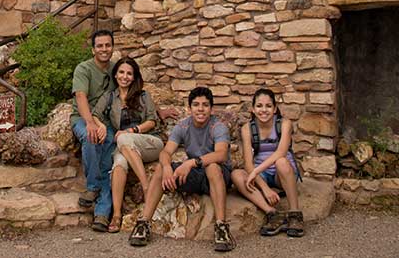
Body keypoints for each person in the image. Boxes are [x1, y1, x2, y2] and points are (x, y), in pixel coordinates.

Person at [128, 86, 236, 252]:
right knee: (160, 169)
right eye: (196, 104)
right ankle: (143, 224)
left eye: (205, 105)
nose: (200, 109)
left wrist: (191, 163)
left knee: (213, 167)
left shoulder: (218, 127)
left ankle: (222, 227)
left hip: (218, 175)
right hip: (195, 173)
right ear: (189, 108)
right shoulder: (183, 126)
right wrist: (167, 167)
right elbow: (166, 152)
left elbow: (221, 154)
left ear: (211, 109)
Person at [92, 57, 163, 233]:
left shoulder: (143, 96)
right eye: (122, 72)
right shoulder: (109, 97)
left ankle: (146, 186)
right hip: (125, 147)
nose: (125, 76)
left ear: (134, 77)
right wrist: (101, 125)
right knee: (118, 165)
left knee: (122, 139)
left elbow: (152, 121)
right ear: (115, 74)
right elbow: (95, 114)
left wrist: (131, 132)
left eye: (129, 73)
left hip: (149, 142)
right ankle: (116, 215)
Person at [231, 87, 303, 237]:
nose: (264, 110)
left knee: (281, 162)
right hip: (262, 174)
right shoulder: (247, 129)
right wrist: (265, 188)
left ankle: (295, 214)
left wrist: (255, 171)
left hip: (282, 173)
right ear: (253, 109)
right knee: (237, 175)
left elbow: (281, 152)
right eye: (259, 106)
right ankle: (273, 213)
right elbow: (248, 164)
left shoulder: (284, 124)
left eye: (268, 106)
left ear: (275, 108)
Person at [71, 29, 116, 231]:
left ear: (112, 47)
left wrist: (158, 111)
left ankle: (101, 215)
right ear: (93, 49)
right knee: (91, 139)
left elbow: (135, 91)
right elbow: (80, 96)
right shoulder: (84, 68)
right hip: (83, 118)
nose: (104, 49)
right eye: (100, 46)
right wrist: (90, 123)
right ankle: (94, 189)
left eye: (107, 45)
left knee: (108, 161)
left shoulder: (116, 69)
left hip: (107, 123)